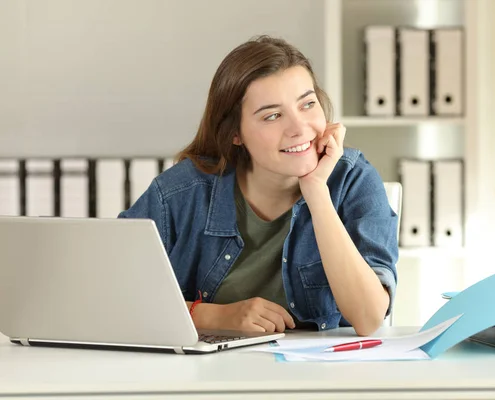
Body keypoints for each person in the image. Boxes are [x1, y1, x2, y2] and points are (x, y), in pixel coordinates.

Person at [118, 35, 398, 337]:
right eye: (273, 116)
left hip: (319, 375)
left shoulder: (353, 179)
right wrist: (213, 316)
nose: (299, 128)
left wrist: (317, 193)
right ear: (235, 133)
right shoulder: (181, 192)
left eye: (307, 104)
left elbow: (369, 319)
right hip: (204, 377)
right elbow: (109, 295)